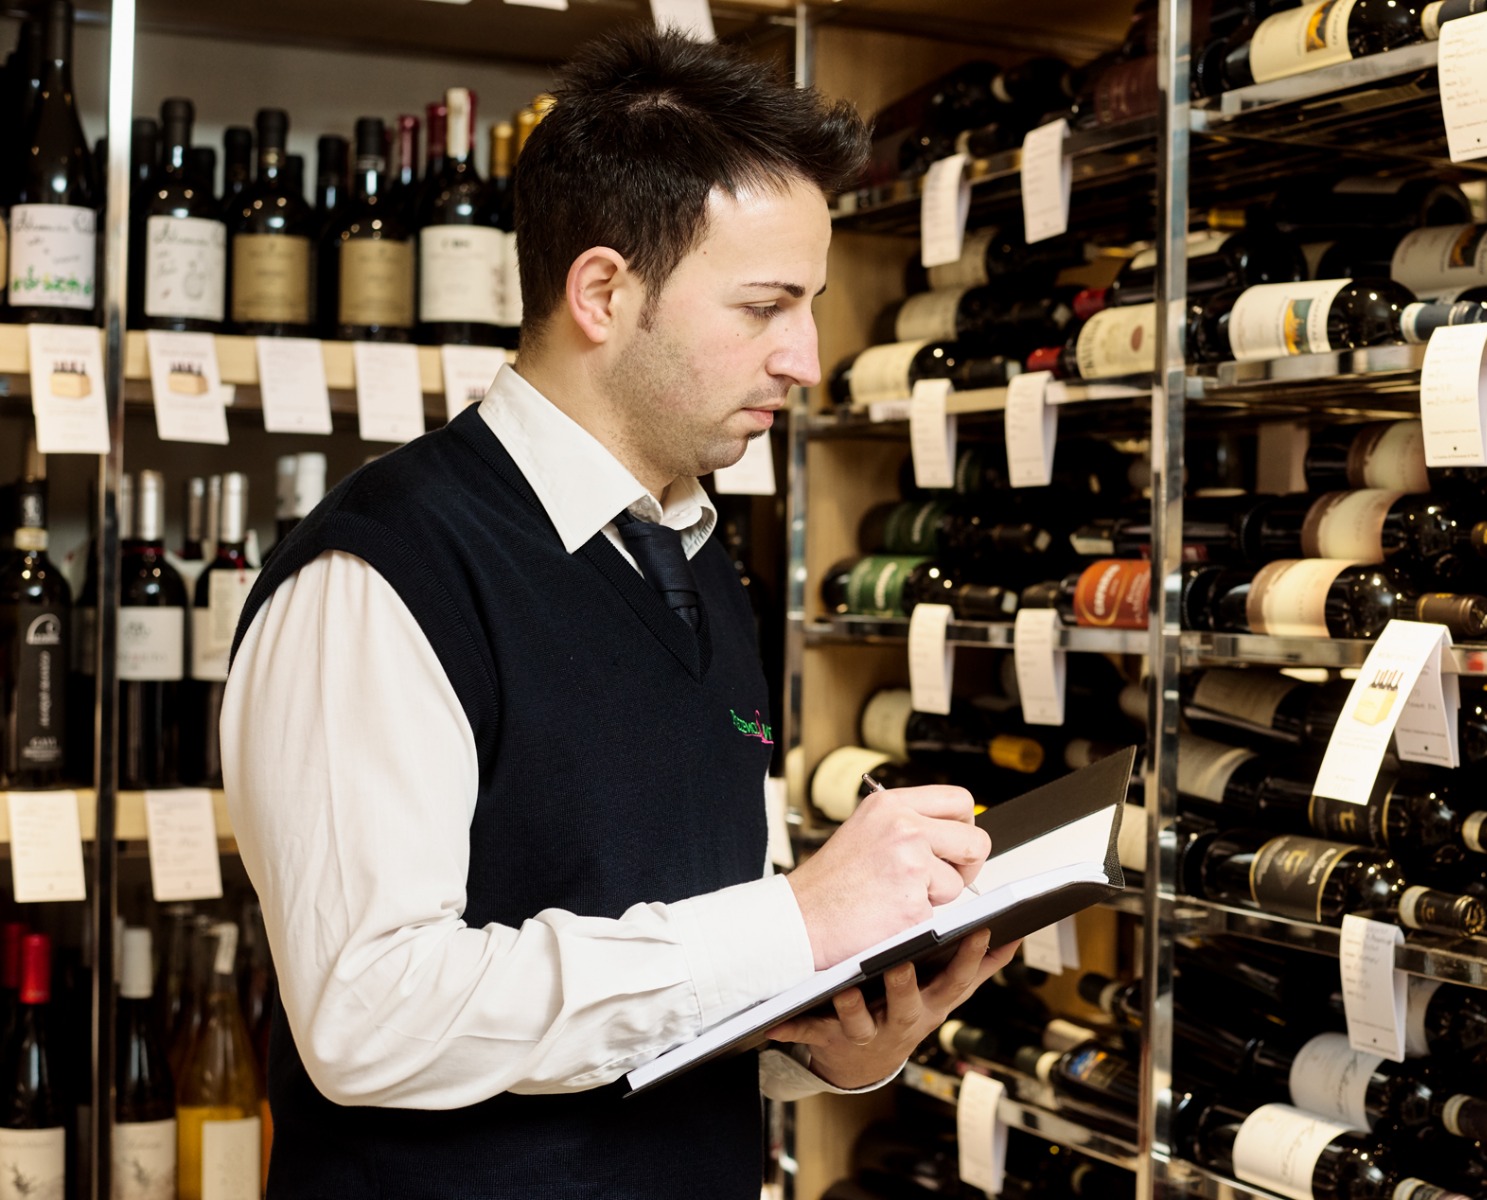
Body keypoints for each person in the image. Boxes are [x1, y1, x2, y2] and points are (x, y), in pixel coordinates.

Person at [222, 29, 1015, 1199]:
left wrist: (824, 1043)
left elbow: (675, 969)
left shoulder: (691, 557)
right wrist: (794, 922)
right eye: (764, 306)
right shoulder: (382, 573)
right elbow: (367, 1015)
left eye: (809, 305)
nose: (805, 357)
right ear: (602, 292)